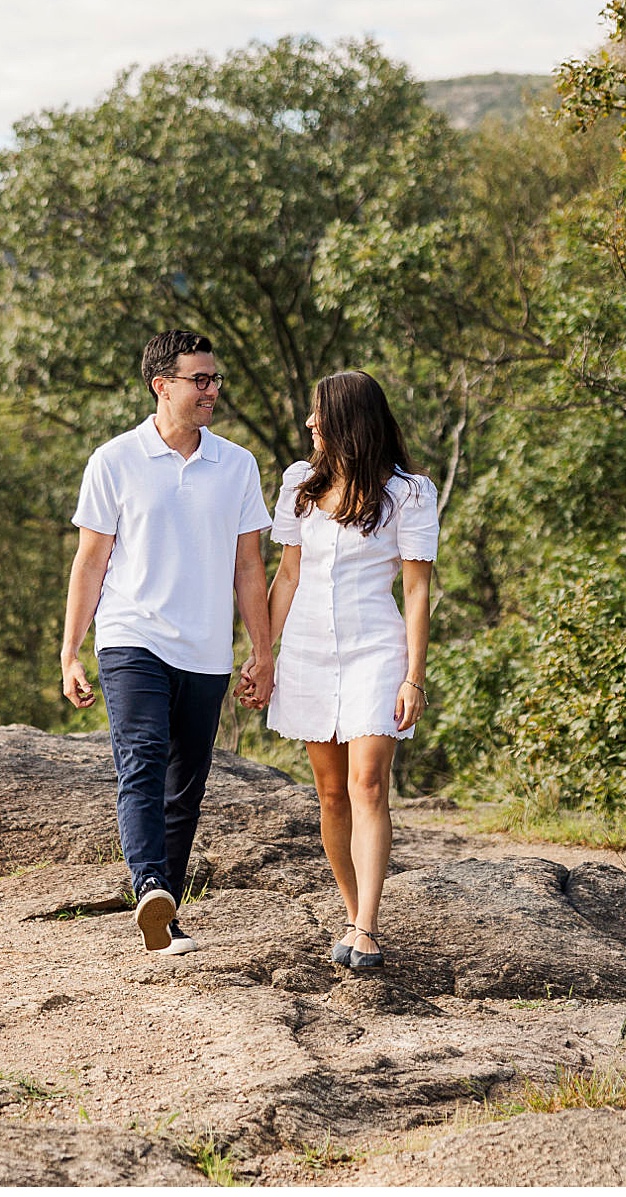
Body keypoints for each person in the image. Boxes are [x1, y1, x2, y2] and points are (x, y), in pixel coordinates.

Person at [60, 330, 274, 955]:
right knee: (143, 758)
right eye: (200, 380)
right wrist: (71, 650)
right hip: (132, 637)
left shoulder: (236, 464)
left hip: (206, 649)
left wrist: (262, 653)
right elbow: (90, 563)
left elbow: (249, 567)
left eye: (215, 380)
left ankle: (166, 914)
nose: (212, 390)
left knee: (187, 783)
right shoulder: (114, 460)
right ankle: (149, 884)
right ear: (163, 385)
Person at [260, 371, 436, 969]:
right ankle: (351, 909)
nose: (310, 424)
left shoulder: (410, 493)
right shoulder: (298, 485)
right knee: (331, 792)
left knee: (367, 783)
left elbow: (416, 592)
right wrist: (261, 652)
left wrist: (414, 675)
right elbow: (286, 576)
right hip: (307, 652)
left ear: (349, 421)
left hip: (375, 652)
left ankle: (366, 927)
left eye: (319, 414)